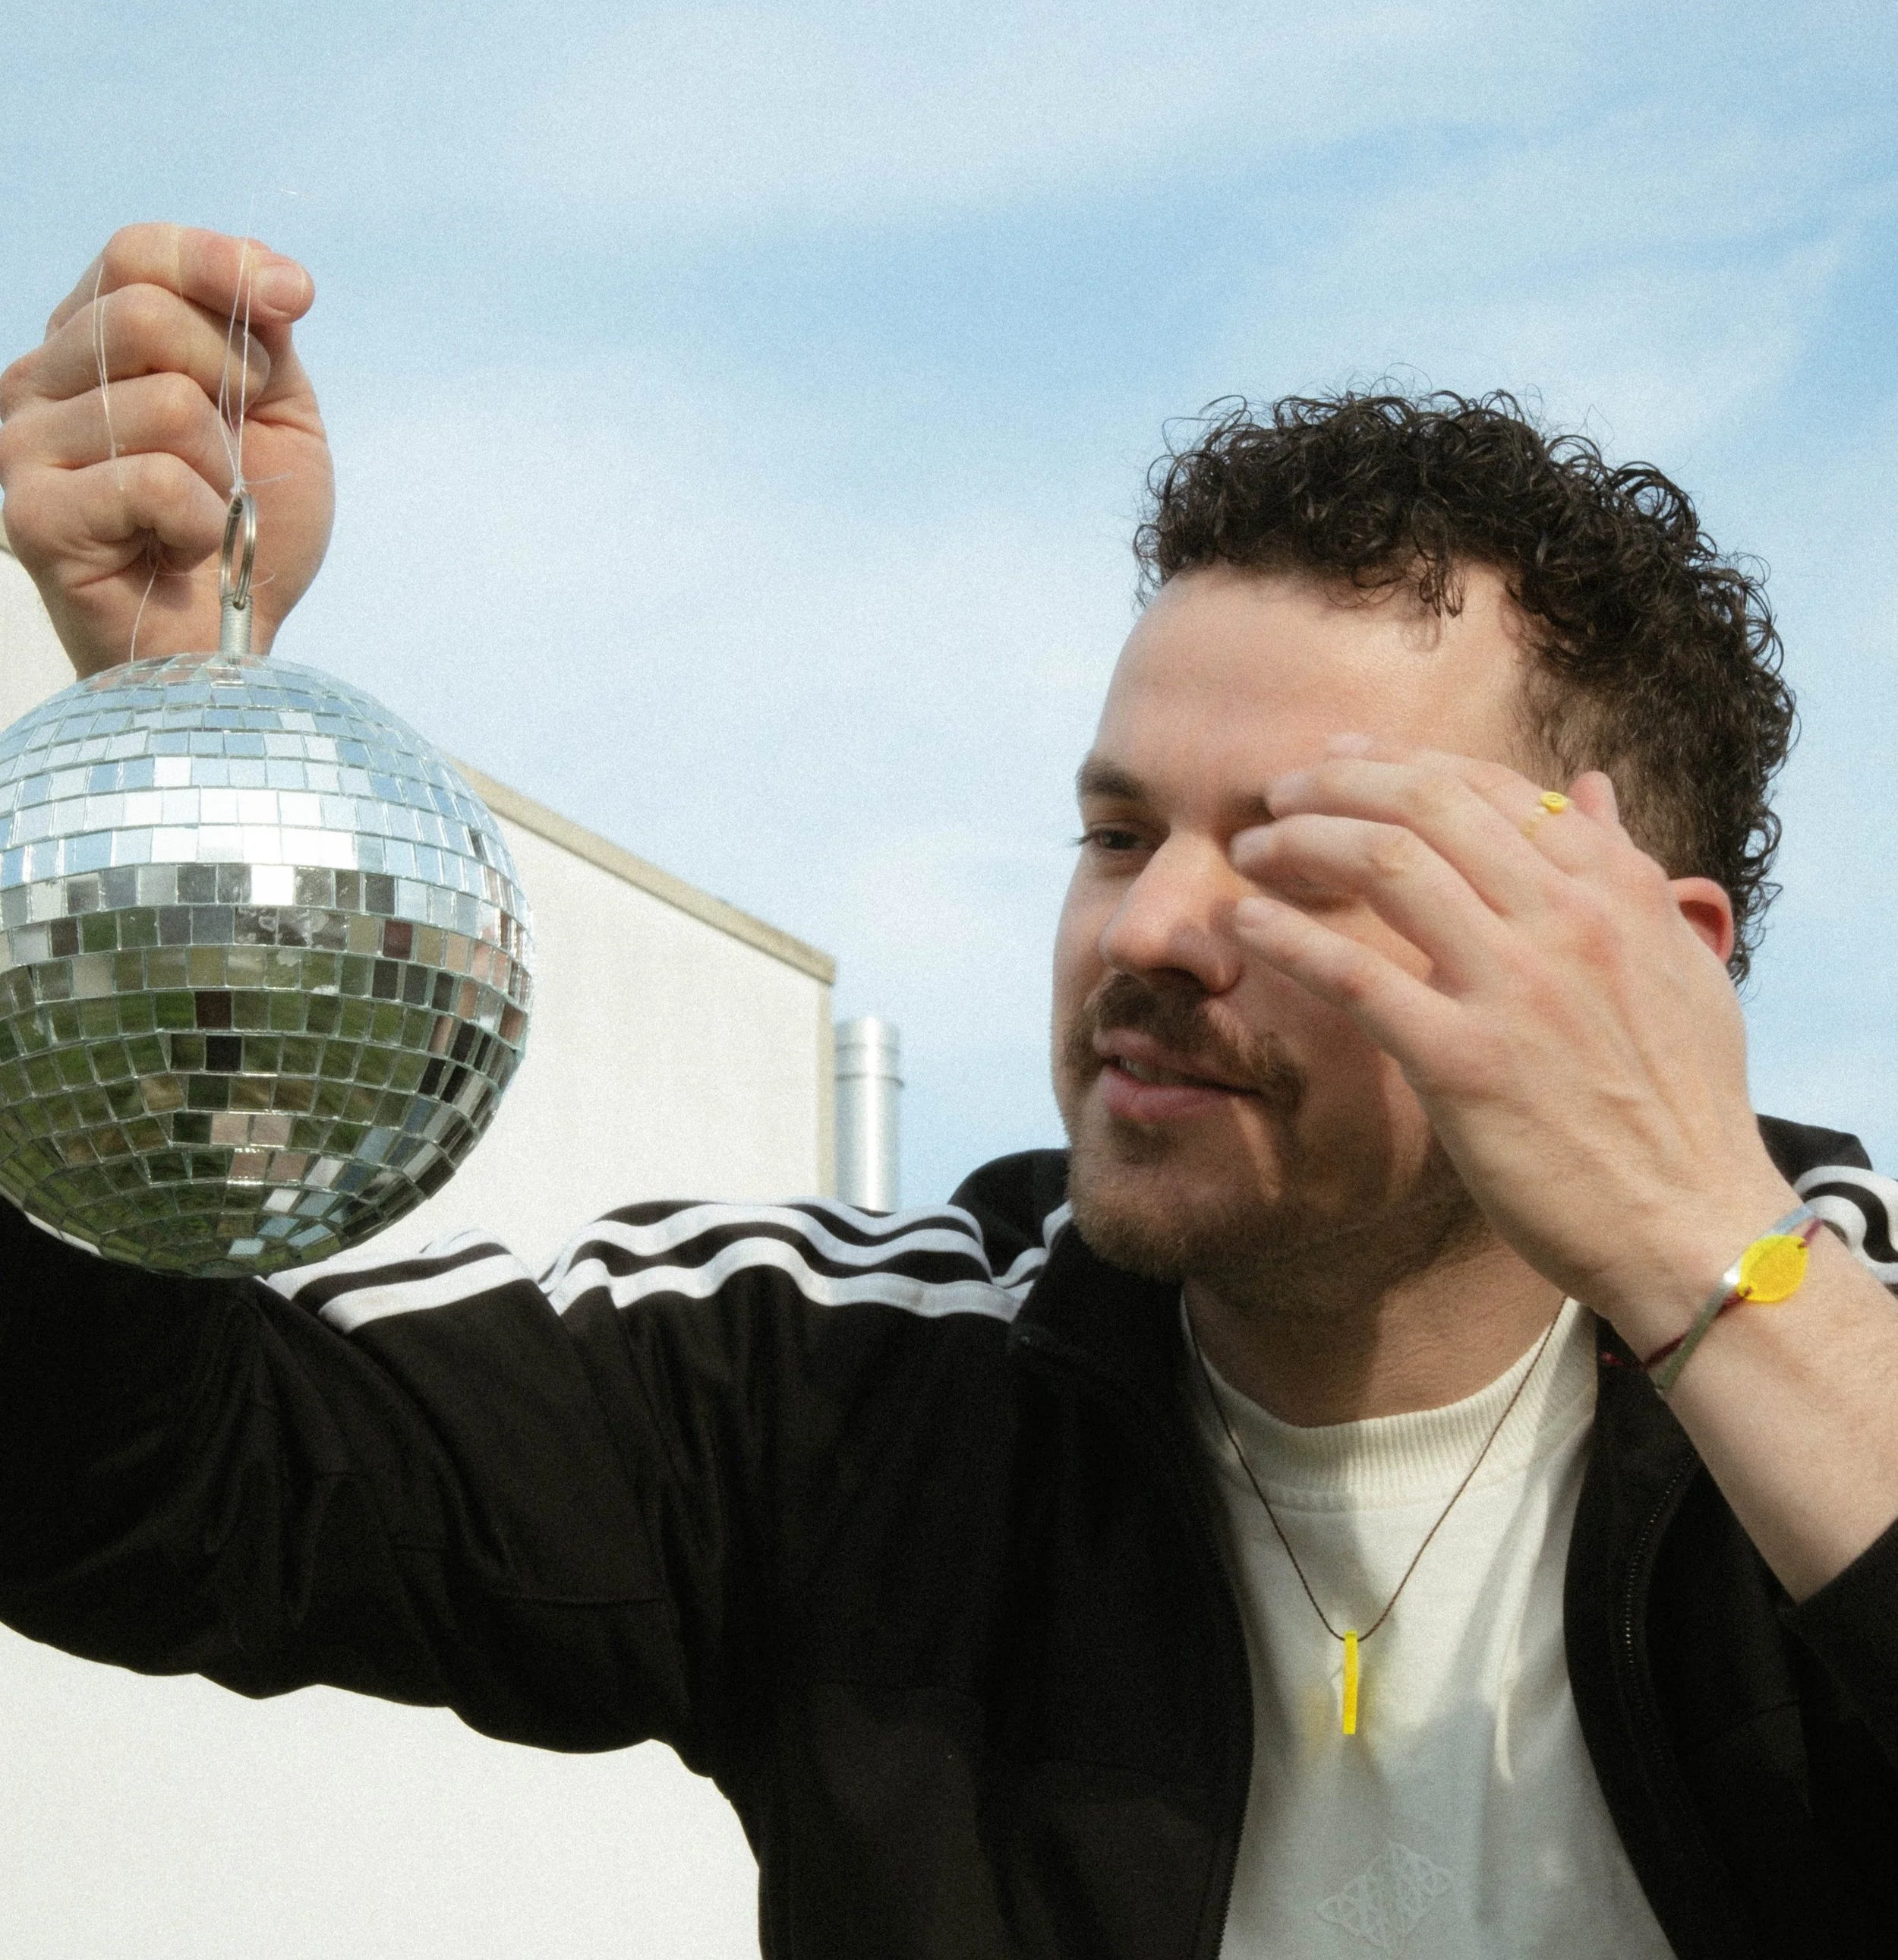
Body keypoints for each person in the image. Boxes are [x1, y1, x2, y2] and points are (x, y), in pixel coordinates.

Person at [1, 226, 1895, 1960]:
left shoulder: (1842, 1359)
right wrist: (167, 818)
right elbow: (151, 1486)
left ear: (1656, 955)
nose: (1149, 929)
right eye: (1113, 829)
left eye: (1312, 855)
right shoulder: (852, 1383)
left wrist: (1700, 1255)